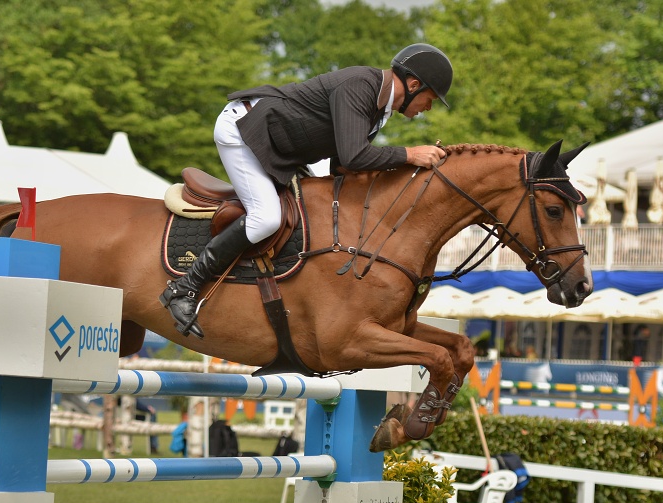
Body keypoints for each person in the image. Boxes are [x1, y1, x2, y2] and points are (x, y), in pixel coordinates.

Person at [160, 43, 454, 338]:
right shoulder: (360, 86)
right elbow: (354, 157)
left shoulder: (379, 111)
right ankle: (184, 288)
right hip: (244, 130)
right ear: (414, 84)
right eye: (430, 99)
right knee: (266, 218)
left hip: (279, 147)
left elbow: (341, 167)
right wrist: (410, 155)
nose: (427, 108)